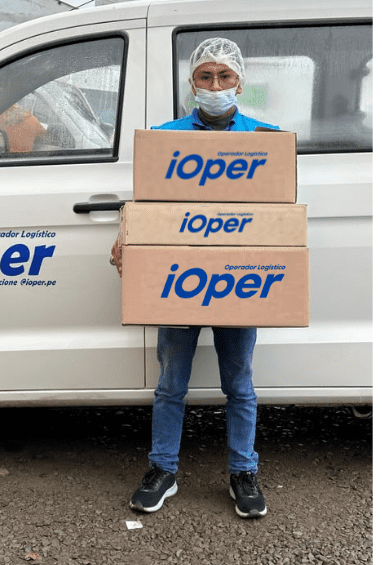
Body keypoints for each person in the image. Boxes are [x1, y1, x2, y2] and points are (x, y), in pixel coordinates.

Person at [111, 37, 280, 519]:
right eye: (205, 76)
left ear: (240, 83)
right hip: (179, 276)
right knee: (171, 383)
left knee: (240, 384)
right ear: (192, 83)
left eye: (224, 76)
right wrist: (125, 232)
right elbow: (145, 199)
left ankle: (243, 471)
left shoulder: (265, 140)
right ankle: (162, 469)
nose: (215, 84)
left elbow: (279, 211)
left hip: (238, 278)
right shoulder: (165, 138)